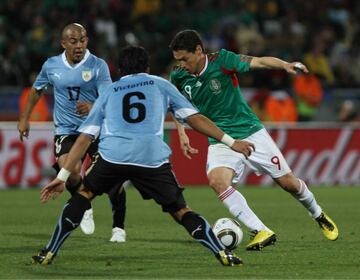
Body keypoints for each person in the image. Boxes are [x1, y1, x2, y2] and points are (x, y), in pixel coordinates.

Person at [31, 46, 255, 266]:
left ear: (120, 70)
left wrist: (62, 177)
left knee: (84, 193)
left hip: (114, 157)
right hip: (151, 159)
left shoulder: (110, 91)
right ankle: (222, 253)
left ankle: (49, 251)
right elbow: (195, 119)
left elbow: (84, 139)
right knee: (181, 211)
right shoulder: (161, 84)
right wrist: (231, 142)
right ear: (147, 67)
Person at [169, 30, 339, 250]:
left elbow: (259, 62)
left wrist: (284, 65)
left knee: (289, 184)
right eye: (177, 60)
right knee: (217, 182)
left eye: (185, 58)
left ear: (199, 51)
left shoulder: (222, 60)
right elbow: (175, 103)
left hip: (250, 131)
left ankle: (317, 213)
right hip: (221, 139)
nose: (181, 64)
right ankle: (261, 230)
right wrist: (181, 132)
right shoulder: (179, 76)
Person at [17, 23, 127, 242]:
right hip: (66, 130)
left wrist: (92, 106)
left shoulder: (98, 65)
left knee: (113, 183)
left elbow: (109, 98)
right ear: (63, 43)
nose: (79, 45)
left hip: (96, 129)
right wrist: (24, 118)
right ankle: (84, 206)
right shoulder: (51, 65)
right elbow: (37, 90)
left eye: (83, 40)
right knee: (71, 171)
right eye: (74, 41)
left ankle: (118, 227)